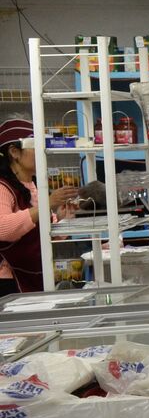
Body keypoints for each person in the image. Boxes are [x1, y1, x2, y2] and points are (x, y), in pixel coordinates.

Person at [0, 118, 79, 294]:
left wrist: (63, 219)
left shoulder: (34, 185)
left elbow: (43, 235)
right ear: (14, 152)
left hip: (34, 275)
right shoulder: (3, 187)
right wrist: (47, 204)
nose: (42, 151)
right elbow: (3, 229)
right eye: (35, 146)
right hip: (8, 280)